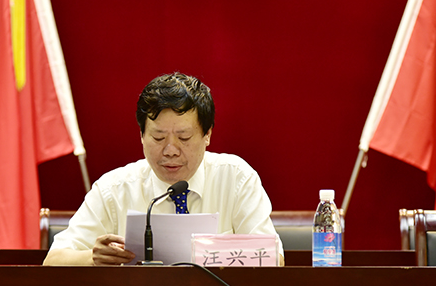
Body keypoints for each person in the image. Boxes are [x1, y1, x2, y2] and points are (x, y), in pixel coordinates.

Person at [43, 72, 283, 266]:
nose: (170, 150)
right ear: (141, 135)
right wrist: (92, 258)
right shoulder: (114, 189)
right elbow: (53, 261)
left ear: (207, 135)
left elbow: (274, 259)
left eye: (184, 138)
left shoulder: (236, 179)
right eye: (158, 138)